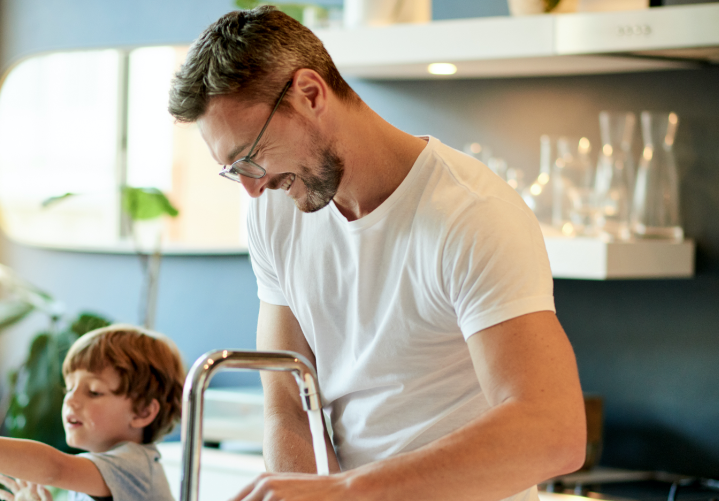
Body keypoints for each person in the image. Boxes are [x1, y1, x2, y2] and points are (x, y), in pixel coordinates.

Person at [168, 5, 588, 501]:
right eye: (233, 170)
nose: (253, 190)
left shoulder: (470, 214)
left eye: (250, 158)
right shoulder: (276, 210)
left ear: (310, 94)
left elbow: (552, 432)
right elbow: (287, 403)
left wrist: (347, 491)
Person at [0, 324, 185, 501]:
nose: (71, 401)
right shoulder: (97, 475)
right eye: (69, 388)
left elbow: (54, 467)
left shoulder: (136, 466)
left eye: (94, 391)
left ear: (143, 412)